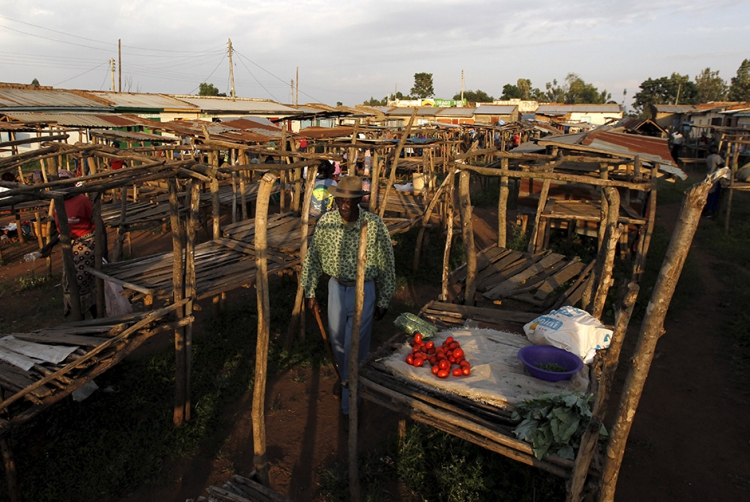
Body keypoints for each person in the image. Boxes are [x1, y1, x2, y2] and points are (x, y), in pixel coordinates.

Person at [301, 176, 395, 421]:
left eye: (349, 200)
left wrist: (384, 298)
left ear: (358, 201)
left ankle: (350, 399)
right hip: (335, 288)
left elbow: (387, 262)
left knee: (357, 344)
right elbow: (313, 259)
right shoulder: (327, 222)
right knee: (337, 341)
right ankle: (347, 379)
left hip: (364, 289)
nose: (344, 204)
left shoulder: (373, 224)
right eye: (340, 199)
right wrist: (309, 291)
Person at [40, 171, 100, 317]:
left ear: (73, 184)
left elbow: (98, 223)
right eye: (61, 184)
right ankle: (79, 313)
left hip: (86, 243)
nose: (65, 188)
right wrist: (49, 246)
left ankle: (93, 313)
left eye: (67, 183)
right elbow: (62, 230)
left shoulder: (83, 201)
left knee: (81, 280)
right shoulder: (58, 205)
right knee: (69, 280)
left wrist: (102, 250)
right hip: (69, 245)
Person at [704, 146, 725, 218]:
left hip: (708, 175)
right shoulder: (717, 157)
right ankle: (710, 210)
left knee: (708, 193)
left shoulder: (709, 157)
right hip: (714, 177)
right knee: (713, 194)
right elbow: (722, 165)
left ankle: (706, 209)